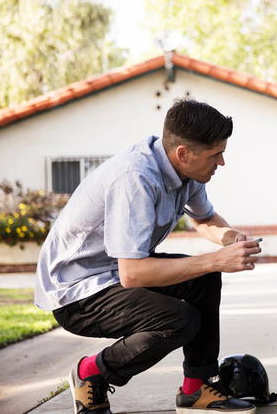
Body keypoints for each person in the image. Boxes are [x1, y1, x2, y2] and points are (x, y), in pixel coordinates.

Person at [35, 98, 261, 414]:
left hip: (115, 273)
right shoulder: (135, 177)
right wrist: (215, 259)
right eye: (216, 154)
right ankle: (91, 373)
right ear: (184, 153)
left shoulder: (187, 173)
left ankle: (196, 389)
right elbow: (134, 274)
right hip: (78, 293)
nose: (221, 162)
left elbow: (204, 219)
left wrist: (232, 239)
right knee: (181, 320)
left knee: (205, 278)